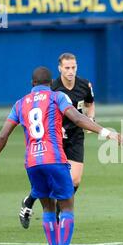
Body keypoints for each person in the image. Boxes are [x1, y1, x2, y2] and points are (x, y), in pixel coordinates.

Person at [0, 66, 123, 245]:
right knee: (66, 207)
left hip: (32, 163)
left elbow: (3, 136)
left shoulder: (19, 104)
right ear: (50, 82)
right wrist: (105, 131)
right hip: (54, 158)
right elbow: (76, 118)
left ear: (32, 83)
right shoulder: (57, 97)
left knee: (48, 207)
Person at [19, 53, 96, 229]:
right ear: (60, 68)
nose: (71, 71)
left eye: (74, 67)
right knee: (51, 178)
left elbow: (90, 104)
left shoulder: (85, 85)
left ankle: (59, 210)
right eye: (67, 68)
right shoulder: (52, 88)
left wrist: (91, 119)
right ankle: (29, 202)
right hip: (55, 138)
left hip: (75, 136)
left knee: (75, 180)